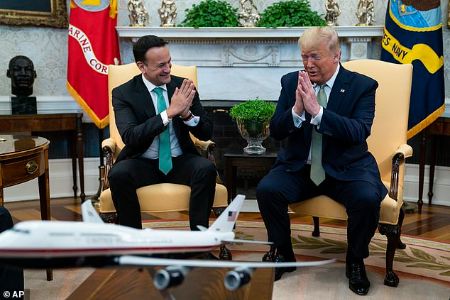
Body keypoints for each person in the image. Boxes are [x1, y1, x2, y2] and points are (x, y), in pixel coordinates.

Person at [256, 27, 386, 296]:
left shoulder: (362, 86)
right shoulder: (292, 82)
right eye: (304, 57)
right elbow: (277, 131)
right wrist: (296, 110)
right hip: (300, 168)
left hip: (347, 167)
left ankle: (355, 260)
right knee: (268, 190)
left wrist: (318, 112)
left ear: (336, 55)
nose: (308, 64)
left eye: (315, 57)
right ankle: (283, 252)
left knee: (366, 198)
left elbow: (359, 131)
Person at [109, 35, 217, 231]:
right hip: (142, 161)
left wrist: (186, 115)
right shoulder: (123, 93)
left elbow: (206, 131)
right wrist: (168, 113)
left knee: (206, 169)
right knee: (118, 174)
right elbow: (131, 136)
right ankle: (134, 242)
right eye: (160, 65)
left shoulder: (183, 86)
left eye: (169, 62)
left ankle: (199, 241)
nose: (167, 69)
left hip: (180, 160)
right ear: (142, 66)